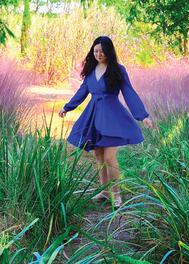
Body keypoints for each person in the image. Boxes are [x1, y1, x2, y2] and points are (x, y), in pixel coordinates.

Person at [58, 35, 152, 208]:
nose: (99, 54)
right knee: (99, 155)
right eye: (95, 51)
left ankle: (116, 193)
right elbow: (82, 92)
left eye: (102, 50)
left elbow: (128, 92)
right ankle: (104, 191)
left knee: (109, 157)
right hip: (93, 115)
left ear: (109, 51)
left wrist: (143, 115)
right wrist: (67, 107)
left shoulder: (118, 70)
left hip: (112, 117)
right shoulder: (91, 71)